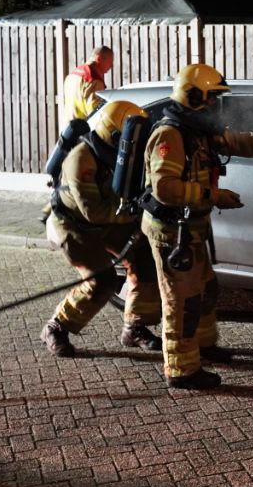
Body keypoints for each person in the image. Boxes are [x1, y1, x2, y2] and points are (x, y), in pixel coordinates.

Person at [140, 64, 253, 390]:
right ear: (193, 96)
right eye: (211, 97)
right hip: (171, 233)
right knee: (182, 302)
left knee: (206, 290)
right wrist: (213, 195)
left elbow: (237, 141)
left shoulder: (197, 129)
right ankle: (182, 371)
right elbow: (165, 188)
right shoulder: (170, 135)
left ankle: (203, 347)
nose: (215, 104)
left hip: (192, 228)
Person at [40, 100, 163, 357]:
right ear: (114, 133)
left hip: (108, 219)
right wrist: (134, 212)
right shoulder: (80, 160)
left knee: (145, 259)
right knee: (102, 280)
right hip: (73, 225)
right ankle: (56, 327)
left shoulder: (123, 155)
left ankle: (135, 327)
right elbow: (93, 212)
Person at [61, 46, 113, 127]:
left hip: (68, 129)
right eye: (110, 62)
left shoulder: (72, 75)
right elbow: (95, 112)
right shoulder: (93, 79)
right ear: (99, 59)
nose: (111, 66)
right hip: (83, 130)